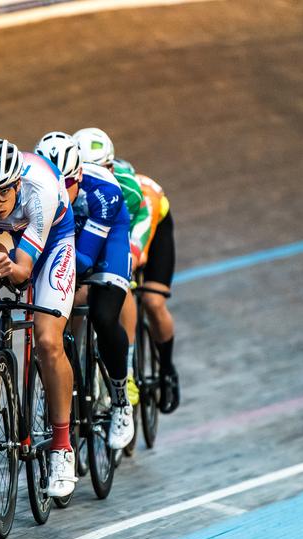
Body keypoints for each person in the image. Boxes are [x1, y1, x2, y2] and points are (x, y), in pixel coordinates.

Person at [0, 136, 78, 497]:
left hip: (54, 239)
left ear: (16, 184)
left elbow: (23, 271)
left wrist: (7, 266)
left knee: (46, 340)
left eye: (1, 194)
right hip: (8, 237)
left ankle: (62, 448)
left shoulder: (39, 188)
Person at [35, 131, 135, 450]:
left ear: (78, 175)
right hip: (67, 233)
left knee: (104, 316)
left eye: (66, 186)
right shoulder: (36, 187)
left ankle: (121, 401)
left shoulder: (104, 190)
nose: (59, 194)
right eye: (54, 186)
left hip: (106, 239)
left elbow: (84, 259)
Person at [73, 127, 181, 415]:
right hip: (99, 226)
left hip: (148, 227)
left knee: (147, 298)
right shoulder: (75, 186)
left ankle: (161, 369)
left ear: (110, 167)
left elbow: (132, 246)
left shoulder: (131, 193)